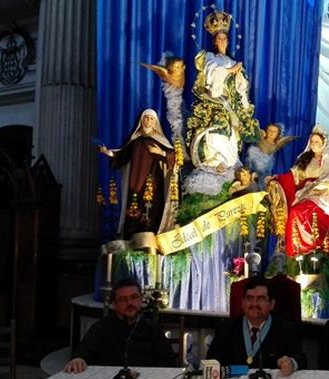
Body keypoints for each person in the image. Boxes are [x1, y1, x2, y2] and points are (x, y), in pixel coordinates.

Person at [186, 10, 260, 174]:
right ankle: (215, 161)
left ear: (228, 41)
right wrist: (231, 70)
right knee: (219, 126)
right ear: (215, 41)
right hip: (215, 102)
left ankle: (229, 164)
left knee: (232, 134)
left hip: (231, 106)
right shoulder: (210, 57)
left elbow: (241, 89)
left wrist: (241, 76)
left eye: (224, 38)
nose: (222, 41)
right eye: (219, 39)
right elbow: (213, 73)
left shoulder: (233, 61)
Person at [267, 124, 329, 260]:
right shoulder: (304, 158)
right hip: (305, 193)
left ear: (324, 143)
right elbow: (293, 176)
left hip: (323, 196)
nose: (314, 144)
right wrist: (276, 178)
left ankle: (311, 247)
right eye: (312, 141)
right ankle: (298, 249)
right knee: (294, 211)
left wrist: (323, 185)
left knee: (300, 212)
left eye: (317, 142)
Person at [64, 279, 176, 373]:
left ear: (141, 300)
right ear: (114, 304)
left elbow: (168, 361)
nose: (129, 303)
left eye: (134, 297)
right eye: (123, 299)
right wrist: (78, 359)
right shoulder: (102, 327)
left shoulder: (152, 328)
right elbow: (84, 351)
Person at [99, 109, 177, 238]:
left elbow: (174, 157)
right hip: (136, 180)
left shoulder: (159, 140)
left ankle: (150, 238)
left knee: (152, 209)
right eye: (146, 118)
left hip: (153, 181)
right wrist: (109, 153)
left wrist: (161, 153)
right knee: (134, 208)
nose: (148, 121)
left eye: (151, 119)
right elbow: (122, 155)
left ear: (155, 122)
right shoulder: (135, 140)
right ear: (141, 120)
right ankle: (133, 240)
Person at [206, 277, 306, 375]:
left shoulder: (287, 330)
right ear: (242, 303)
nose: (254, 303)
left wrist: (291, 363)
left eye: (261, 299)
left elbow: (301, 360)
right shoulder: (225, 328)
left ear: (272, 304)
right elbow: (211, 360)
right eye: (249, 298)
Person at [245, 123, 295, 187]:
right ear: (266, 131)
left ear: (278, 134)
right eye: (270, 130)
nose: (272, 133)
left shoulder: (276, 145)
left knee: (264, 181)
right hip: (251, 165)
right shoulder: (259, 139)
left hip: (264, 170)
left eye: (274, 131)